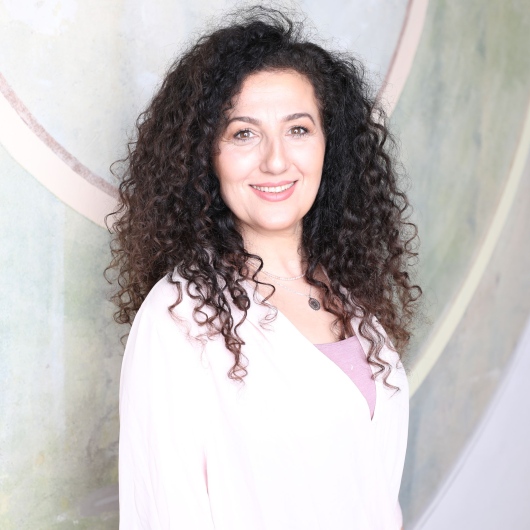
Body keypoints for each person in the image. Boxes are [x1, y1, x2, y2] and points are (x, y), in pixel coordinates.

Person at [108, 6, 421, 529]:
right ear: (205, 154)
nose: (276, 161)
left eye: (298, 129)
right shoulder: (178, 316)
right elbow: (163, 512)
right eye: (243, 134)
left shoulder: (353, 301)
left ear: (329, 146)